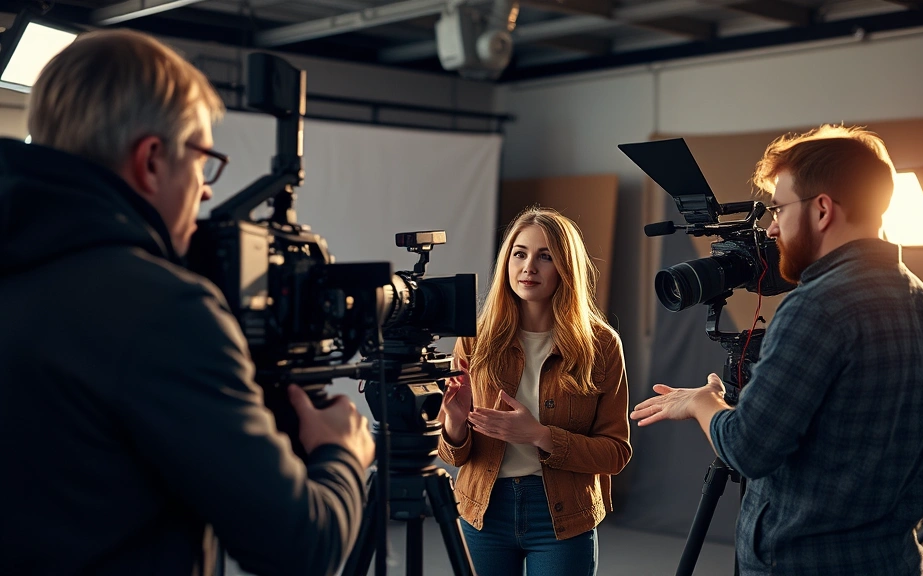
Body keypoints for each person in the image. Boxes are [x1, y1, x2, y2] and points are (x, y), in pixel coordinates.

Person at [0, 30, 374, 576]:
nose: (205, 190)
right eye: (203, 161)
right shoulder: (162, 311)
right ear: (152, 161)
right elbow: (303, 545)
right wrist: (342, 453)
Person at [631, 125, 923, 575]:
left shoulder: (817, 307)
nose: (771, 227)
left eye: (780, 208)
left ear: (822, 209)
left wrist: (704, 403)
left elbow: (747, 449)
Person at [437, 207, 631, 576]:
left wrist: (540, 435)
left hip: (562, 516)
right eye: (520, 253)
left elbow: (615, 454)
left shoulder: (602, 344)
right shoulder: (474, 339)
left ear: (565, 268)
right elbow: (451, 455)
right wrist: (455, 423)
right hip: (483, 512)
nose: (529, 267)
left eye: (545, 256)